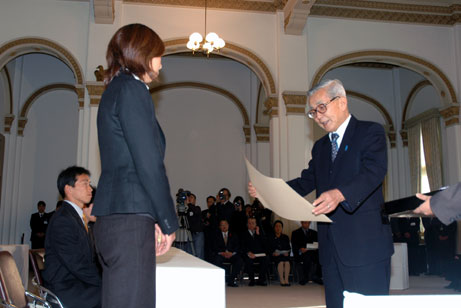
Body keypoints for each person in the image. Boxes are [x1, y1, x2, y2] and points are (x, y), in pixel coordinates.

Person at [249, 79, 393, 308]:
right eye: (313, 112)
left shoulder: (370, 132)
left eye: (321, 108)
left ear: (342, 102)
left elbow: (374, 172)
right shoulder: (321, 147)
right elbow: (306, 181)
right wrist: (266, 191)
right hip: (330, 248)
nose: (317, 116)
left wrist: (340, 194)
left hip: (364, 245)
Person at [92, 23, 179, 308]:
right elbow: (148, 163)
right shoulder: (132, 89)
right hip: (128, 223)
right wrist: (167, 220)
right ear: (143, 53)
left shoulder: (115, 89)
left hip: (117, 217)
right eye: (158, 55)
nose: (161, 63)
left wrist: (151, 218)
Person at [42, 166, 101, 308]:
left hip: (75, 283)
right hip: (64, 289)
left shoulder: (74, 217)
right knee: (116, 293)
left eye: (89, 183)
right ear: (68, 189)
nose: (90, 188)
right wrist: (108, 281)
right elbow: (78, 265)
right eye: (85, 183)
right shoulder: (63, 220)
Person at [212, 219, 243, 287]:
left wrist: (232, 253)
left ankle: (231, 280)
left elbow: (237, 245)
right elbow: (214, 247)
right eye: (222, 225)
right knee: (216, 260)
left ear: (228, 225)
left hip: (231, 254)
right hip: (221, 255)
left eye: (225, 224)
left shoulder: (234, 234)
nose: (224, 226)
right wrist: (222, 253)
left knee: (239, 260)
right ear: (219, 227)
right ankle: (218, 280)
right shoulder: (216, 235)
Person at [241, 217, 269, 286]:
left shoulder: (259, 233)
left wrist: (258, 234)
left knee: (266, 259)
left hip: (258, 254)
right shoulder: (243, 234)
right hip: (249, 254)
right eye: (249, 223)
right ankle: (252, 279)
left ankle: (261, 280)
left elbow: (265, 245)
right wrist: (248, 252)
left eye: (253, 223)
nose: (251, 225)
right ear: (247, 224)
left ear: (256, 224)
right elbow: (242, 246)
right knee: (248, 261)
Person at [269, 220, 291, 286]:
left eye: (280, 226)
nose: (278, 228)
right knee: (281, 262)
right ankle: (282, 280)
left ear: (282, 228)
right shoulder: (270, 237)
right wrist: (273, 253)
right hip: (275, 256)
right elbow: (268, 248)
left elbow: (288, 248)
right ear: (274, 228)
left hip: (284, 255)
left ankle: (286, 280)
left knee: (287, 262)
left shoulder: (285, 237)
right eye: (276, 226)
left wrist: (287, 253)